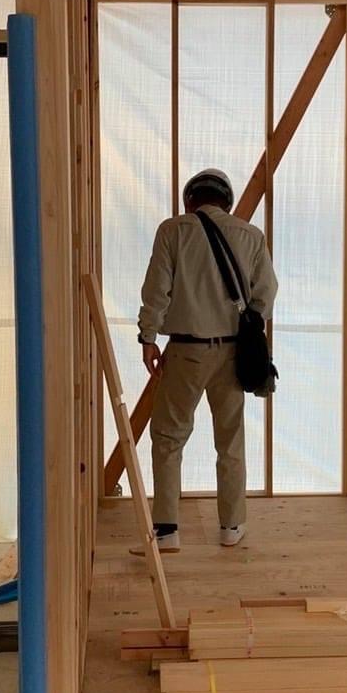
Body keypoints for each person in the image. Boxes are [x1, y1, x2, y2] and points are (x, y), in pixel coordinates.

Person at [135, 168, 277, 551]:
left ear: (189, 200)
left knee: (168, 437)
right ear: (227, 202)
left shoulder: (173, 231)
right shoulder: (250, 235)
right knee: (229, 439)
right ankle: (232, 526)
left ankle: (167, 530)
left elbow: (156, 290)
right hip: (232, 352)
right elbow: (266, 294)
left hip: (186, 352)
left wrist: (148, 338)